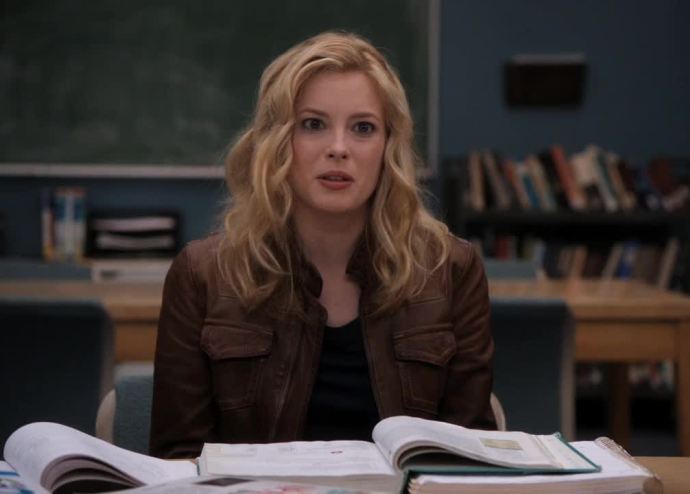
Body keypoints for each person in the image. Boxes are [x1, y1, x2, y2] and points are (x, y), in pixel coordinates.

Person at [149, 31, 496, 459]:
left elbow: (468, 462)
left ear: (388, 147)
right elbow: (178, 461)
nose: (338, 149)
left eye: (363, 128)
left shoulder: (451, 270)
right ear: (278, 142)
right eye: (313, 125)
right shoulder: (202, 274)